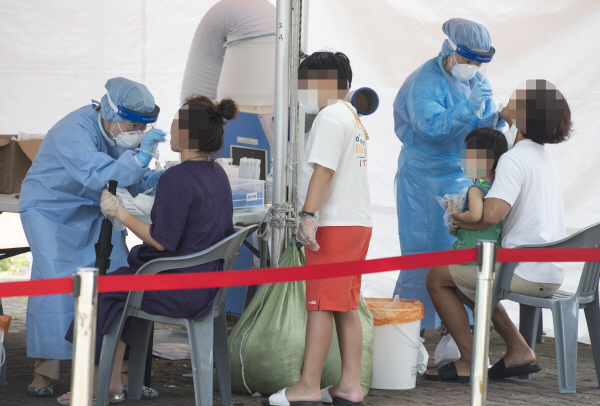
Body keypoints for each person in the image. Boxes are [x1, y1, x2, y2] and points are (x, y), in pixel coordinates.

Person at [57, 95, 239, 404]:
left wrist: (119, 212)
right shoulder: (217, 173)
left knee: (99, 291)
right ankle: (113, 382)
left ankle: (91, 384)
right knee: (121, 287)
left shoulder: (177, 177)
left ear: (188, 133)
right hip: (209, 285)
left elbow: (161, 241)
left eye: (177, 122)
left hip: (180, 289)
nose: (171, 127)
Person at [19, 77, 166, 397]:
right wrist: (140, 158)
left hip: (95, 207)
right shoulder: (75, 131)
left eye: (142, 128)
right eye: (133, 126)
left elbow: (129, 176)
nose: (137, 134)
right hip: (50, 211)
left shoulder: (117, 130)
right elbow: (106, 174)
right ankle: (44, 374)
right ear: (111, 113)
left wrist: (156, 176)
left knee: (118, 277)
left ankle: (120, 374)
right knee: (57, 287)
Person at [424, 79, 572, 382]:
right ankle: (518, 349)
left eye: (515, 100)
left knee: (437, 277)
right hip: (550, 270)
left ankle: (470, 361)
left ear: (524, 115)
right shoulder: (542, 156)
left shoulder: (513, 159)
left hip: (524, 271)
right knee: (465, 280)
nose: (508, 102)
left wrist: (456, 218)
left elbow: (490, 216)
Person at [264, 51, 371, 406]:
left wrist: (307, 215)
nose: (301, 91)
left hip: (335, 224)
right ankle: (349, 386)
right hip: (356, 222)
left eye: (303, 83)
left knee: (321, 304)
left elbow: (323, 171)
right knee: (345, 305)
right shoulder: (351, 115)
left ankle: (308, 386)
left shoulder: (329, 116)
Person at [392, 18, 500, 329]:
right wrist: (468, 108)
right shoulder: (424, 81)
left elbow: (482, 128)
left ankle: (457, 333)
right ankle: (411, 332)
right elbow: (432, 129)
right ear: (450, 49)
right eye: (468, 59)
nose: (473, 67)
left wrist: (495, 120)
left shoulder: (476, 82)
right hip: (422, 178)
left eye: (479, 62)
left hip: (462, 174)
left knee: (459, 257)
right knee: (421, 257)